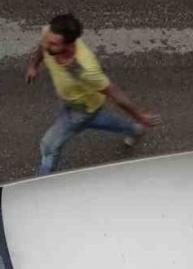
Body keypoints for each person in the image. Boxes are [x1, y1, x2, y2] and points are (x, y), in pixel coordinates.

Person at [26, 14, 160, 175]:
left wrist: (140, 115)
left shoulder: (85, 69)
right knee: (96, 120)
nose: (46, 44)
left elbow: (115, 93)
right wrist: (33, 65)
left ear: (69, 45)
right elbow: (42, 48)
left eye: (53, 44)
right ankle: (134, 129)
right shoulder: (50, 35)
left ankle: (43, 181)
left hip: (82, 109)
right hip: (69, 100)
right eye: (46, 39)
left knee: (49, 144)